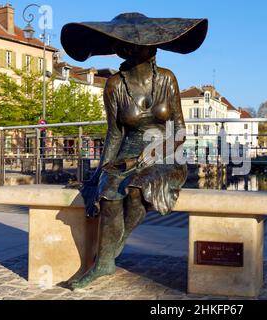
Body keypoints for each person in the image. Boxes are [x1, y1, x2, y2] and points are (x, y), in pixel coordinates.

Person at [60, 12, 208, 289]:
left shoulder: (167, 79)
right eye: (143, 44)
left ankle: (108, 255)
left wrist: (152, 154)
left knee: (139, 188)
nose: (151, 50)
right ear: (124, 49)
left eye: (153, 44)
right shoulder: (114, 85)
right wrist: (101, 172)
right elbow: (115, 133)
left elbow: (180, 129)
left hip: (166, 154)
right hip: (125, 154)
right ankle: (104, 264)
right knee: (109, 193)